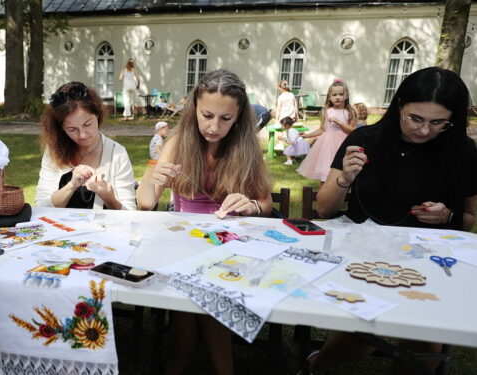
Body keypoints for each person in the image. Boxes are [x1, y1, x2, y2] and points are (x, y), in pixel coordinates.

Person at [307, 67, 477, 375]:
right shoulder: (365, 139)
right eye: (416, 118)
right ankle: (316, 366)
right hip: (360, 253)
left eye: (438, 122)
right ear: (399, 106)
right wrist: (344, 178)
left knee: (426, 343)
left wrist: (449, 216)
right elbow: (323, 209)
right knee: (362, 329)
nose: (425, 131)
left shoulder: (462, 151)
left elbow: (468, 221)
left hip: (428, 260)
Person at [137, 69, 272, 375]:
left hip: (228, 245)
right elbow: (145, 203)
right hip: (183, 242)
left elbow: (264, 204)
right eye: (207, 115)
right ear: (194, 108)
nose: (214, 126)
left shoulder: (245, 146)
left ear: (238, 117)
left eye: (225, 119)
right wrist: (152, 177)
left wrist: (250, 205)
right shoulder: (179, 141)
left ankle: (182, 364)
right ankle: (219, 367)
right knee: (200, 290)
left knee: (199, 293)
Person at [36, 81, 136, 210]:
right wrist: (71, 185)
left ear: (98, 115)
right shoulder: (54, 152)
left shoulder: (117, 153)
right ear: (61, 129)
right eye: (72, 129)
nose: (82, 135)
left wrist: (108, 197)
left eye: (87, 124)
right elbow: (41, 207)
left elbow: (130, 213)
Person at [297, 79, 357, 187]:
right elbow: (322, 129)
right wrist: (308, 135)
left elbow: (352, 130)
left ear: (346, 96)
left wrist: (339, 123)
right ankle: (323, 197)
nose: (337, 97)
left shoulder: (349, 112)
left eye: (341, 94)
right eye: (334, 95)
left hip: (342, 144)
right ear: (329, 97)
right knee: (325, 172)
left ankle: (338, 196)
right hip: (326, 146)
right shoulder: (327, 111)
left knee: (340, 172)